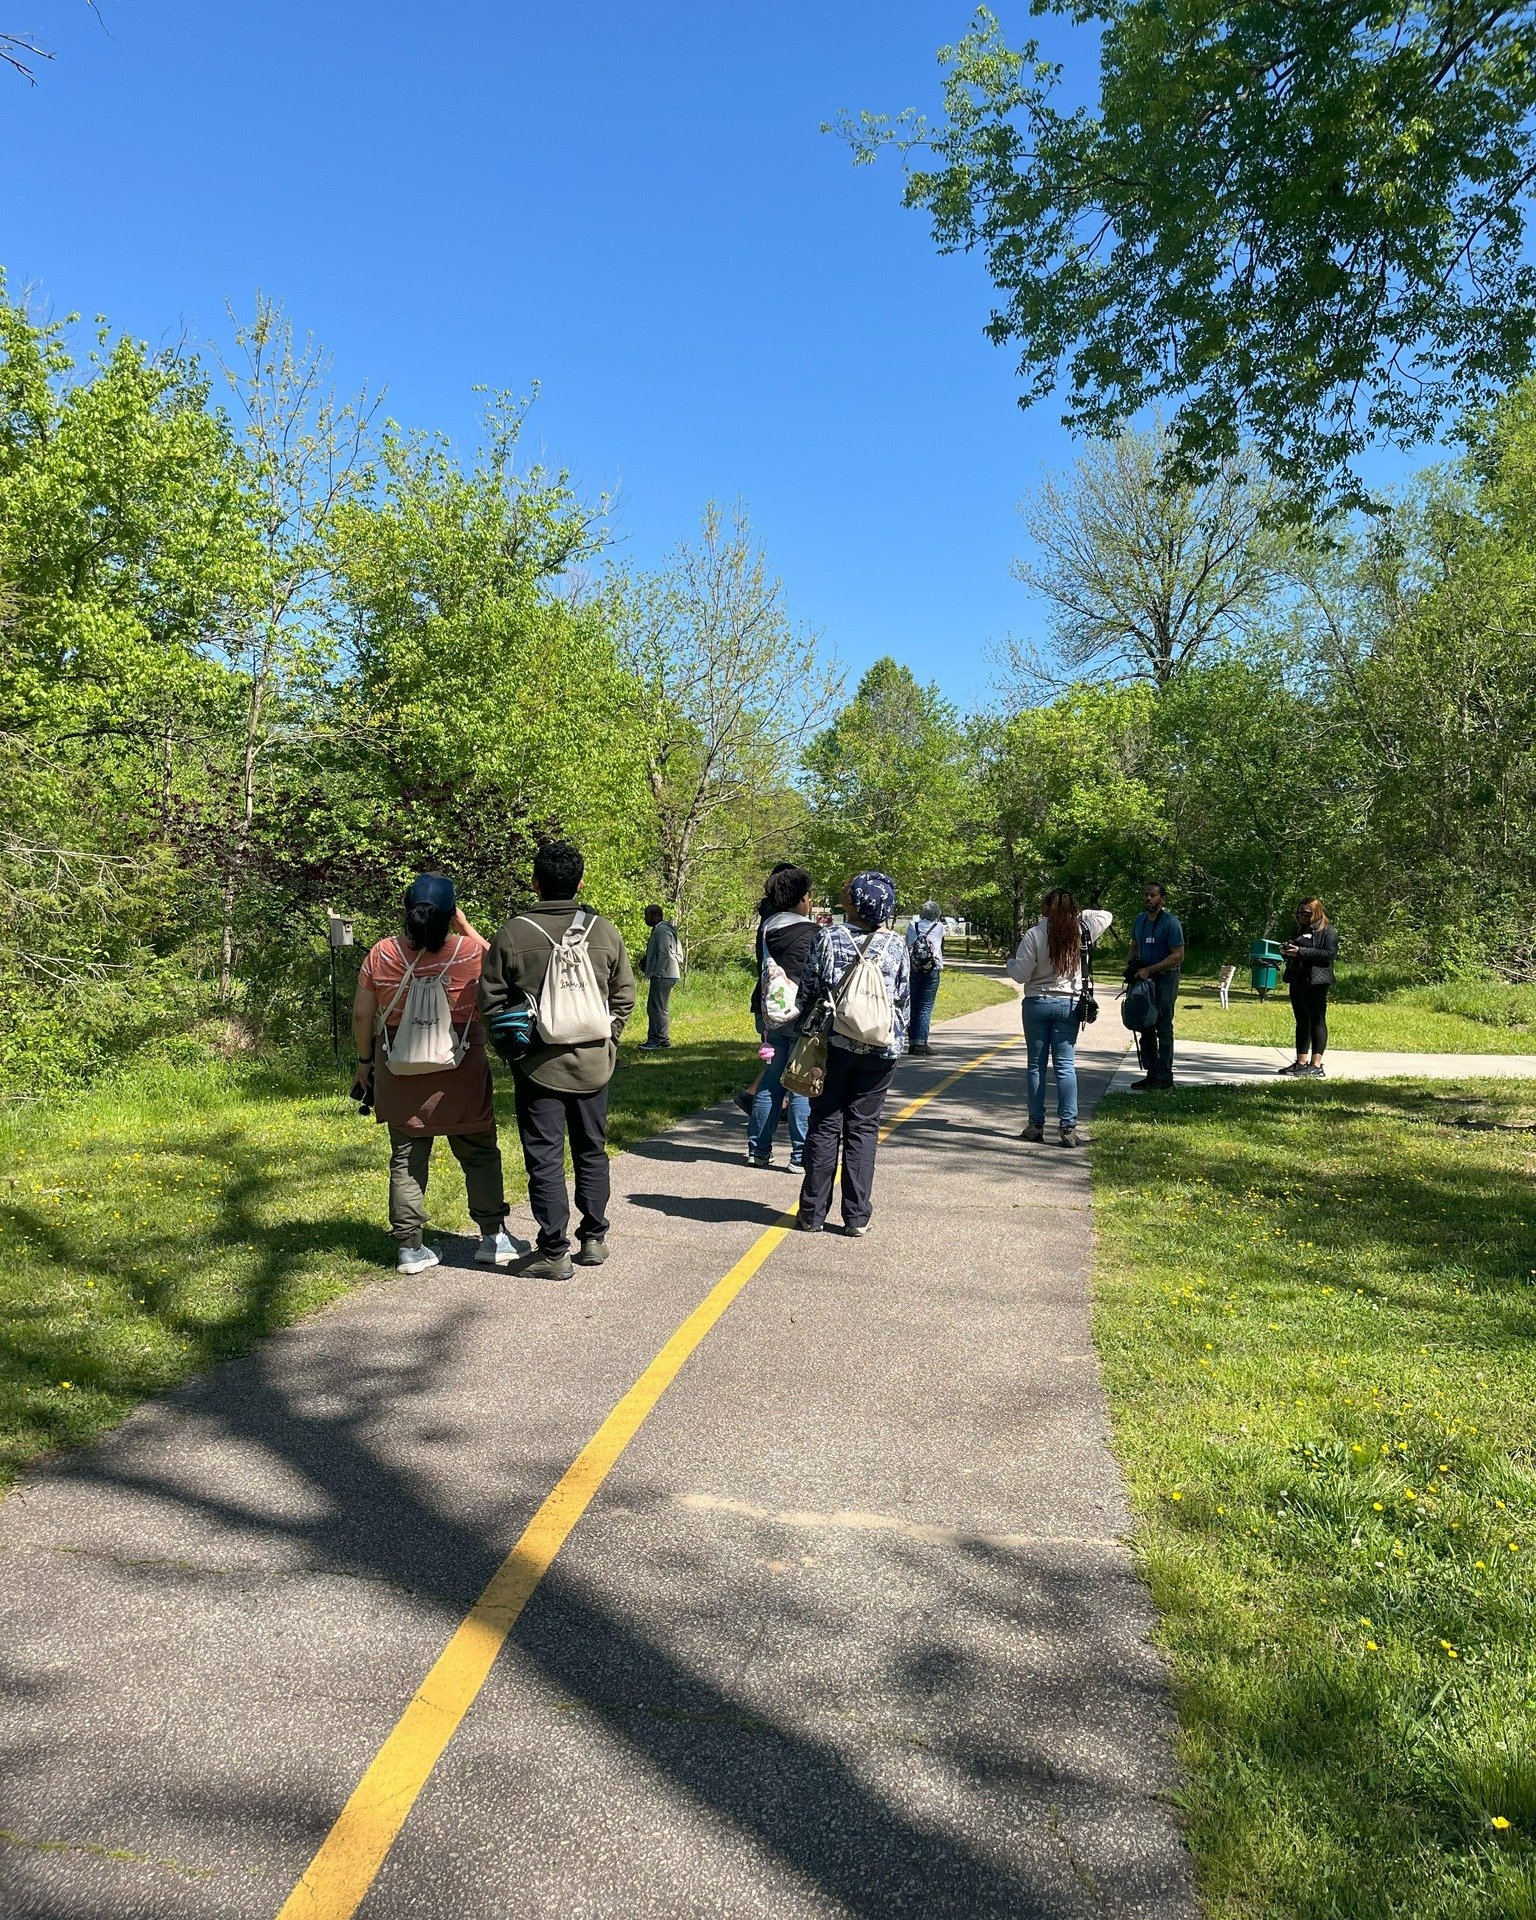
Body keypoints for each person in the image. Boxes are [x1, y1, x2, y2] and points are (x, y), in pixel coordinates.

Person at [479, 840, 636, 1281]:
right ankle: (594, 1239)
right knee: (592, 1151)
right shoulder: (604, 931)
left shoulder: (514, 933)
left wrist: (515, 1048)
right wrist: (610, 1038)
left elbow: (489, 1001)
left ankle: (554, 1251)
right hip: (594, 1064)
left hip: (538, 1066)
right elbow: (624, 993)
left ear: (535, 881)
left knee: (545, 1157)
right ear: (580, 882)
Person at [351, 873, 512, 1275]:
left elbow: (361, 1014)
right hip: (461, 1067)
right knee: (479, 1153)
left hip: (398, 1068)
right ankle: (493, 1238)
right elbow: (504, 970)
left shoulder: (382, 954)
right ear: (449, 913)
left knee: (406, 1157)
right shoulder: (470, 952)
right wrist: (465, 926)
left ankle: (409, 1248)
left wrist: (364, 1062)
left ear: (407, 913)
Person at [794, 871, 910, 1237]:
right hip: (880, 1048)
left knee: (826, 1121)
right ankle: (857, 1216)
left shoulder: (828, 937)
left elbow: (809, 989)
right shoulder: (896, 945)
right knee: (864, 1127)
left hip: (834, 1045)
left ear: (854, 903)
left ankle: (812, 1213)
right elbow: (903, 997)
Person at [1007, 889, 1113, 1147]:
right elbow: (1106, 915)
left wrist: (1009, 962)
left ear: (1044, 910)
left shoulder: (1034, 934)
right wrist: (1075, 914)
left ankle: (1035, 1124)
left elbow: (1020, 975)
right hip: (1068, 1005)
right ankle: (1068, 1128)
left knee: (1036, 1065)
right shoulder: (1081, 932)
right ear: (1073, 909)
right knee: (1065, 1066)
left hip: (1037, 1004)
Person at [746, 864, 817, 1171]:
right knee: (800, 1084)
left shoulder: (767, 927)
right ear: (801, 899)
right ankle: (800, 1155)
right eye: (809, 896)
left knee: (771, 1081)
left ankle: (758, 1150)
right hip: (803, 1016)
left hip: (773, 1013)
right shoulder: (810, 932)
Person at [1126, 882, 1185, 1090]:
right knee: (1146, 1024)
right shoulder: (1140, 920)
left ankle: (1165, 1076)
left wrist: (1151, 969)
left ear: (1162, 899)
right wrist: (1130, 967)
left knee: (1163, 1024)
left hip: (1166, 978)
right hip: (1144, 977)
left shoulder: (1171, 923)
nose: (1149, 899)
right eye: (1146, 895)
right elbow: (1134, 945)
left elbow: (1178, 956)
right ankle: (1151, 1073)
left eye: (1153, 895)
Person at [1279, 897, 1338, 1077]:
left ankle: (1316, 1064)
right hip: (1298, 978)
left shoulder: (1328, 931)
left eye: (1306, 913)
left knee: (1317, 1020)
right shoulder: (1299, 930)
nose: (1302, 916)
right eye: (1299, 913)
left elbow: (1329, 954)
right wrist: (1286, 951)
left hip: (1317, 981)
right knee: (1301, 1020)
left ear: (1316, 912)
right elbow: (1295, 952)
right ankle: (1301, 1062)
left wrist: (1301, 952)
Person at [637, 904, 682, 1051]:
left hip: (664, 975)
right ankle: (659, 1039)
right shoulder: (662, 929)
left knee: (657, 1008)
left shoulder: (662, 930)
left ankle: (658, 1040)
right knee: (656, 1007)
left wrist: (658, 972)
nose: (646, 918)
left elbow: (664, 953)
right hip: (666, 974)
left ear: (655, 915)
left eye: (647, 915)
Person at [905, 900, 945, 1054]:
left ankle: (912, 1043)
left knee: (914, 1005)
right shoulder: (939, 927)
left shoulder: (912, 925)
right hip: (932, 969)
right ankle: (921, 1043)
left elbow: (908, 943)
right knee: (926, 1006)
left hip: (914, 968)